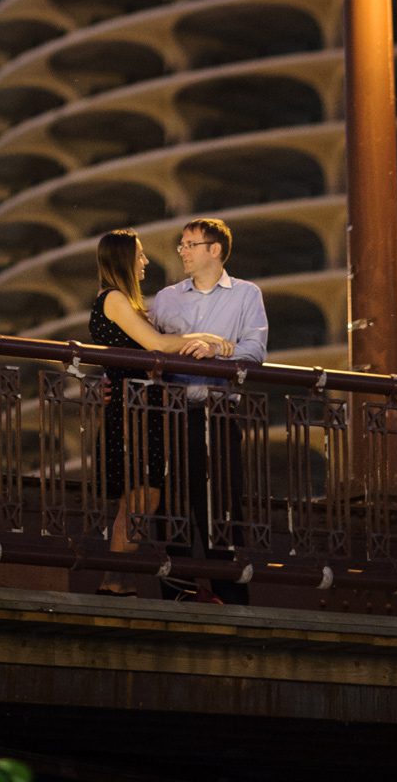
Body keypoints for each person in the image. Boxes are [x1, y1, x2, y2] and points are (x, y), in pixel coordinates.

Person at [89, 228, 224, 595]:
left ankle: (117, 580)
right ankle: (114, 581)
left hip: (136, 406)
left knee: (140, 496)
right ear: (123, 259)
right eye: (140, 254)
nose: (145, 261)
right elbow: (156, 345)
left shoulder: (122, 302)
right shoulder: (114, 298)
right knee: (138, 496)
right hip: (131, 410)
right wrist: (206, 339)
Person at [151, 217, 268, 605]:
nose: (182, 251)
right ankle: (177, 594)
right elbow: (151, 350)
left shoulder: (246, 294)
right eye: (182, 245)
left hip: (219, 413)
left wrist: (218, 350)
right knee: (170, 503)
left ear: (213, 250)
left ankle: (232, 597)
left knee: (222, 503)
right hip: (171, 412)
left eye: (189, 244)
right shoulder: (166, 297)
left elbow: (255, 351)